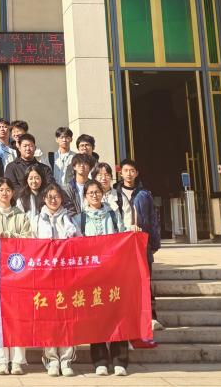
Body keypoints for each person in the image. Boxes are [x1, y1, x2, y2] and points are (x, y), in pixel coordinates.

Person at [77, 181, 128, 376]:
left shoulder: (113, 214)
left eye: (97, 192)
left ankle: (119, 360)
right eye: (90, 193)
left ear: (102, 194)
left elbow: (123, 237)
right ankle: (100, 361)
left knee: (117, 315)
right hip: (92, 275)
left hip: (113, 273)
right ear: (85, 196)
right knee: (95, 317)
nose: (94, 195)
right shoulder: (79, 218)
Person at [0, 176, 31, 375]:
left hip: (19, 272)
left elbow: (29, 239)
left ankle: (17, 360)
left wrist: (9, 236)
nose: (4, 193)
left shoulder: (21, 215)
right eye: (0, 190)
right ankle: (2, 360)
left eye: (7, 190)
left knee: (18, 317)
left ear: (13, 193)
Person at [112, 159, 163, 334]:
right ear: (120, 172)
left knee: (145, 280)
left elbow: (153, 219)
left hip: (142, 243)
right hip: (123, 244)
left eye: (132, 171)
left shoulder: (144, 194)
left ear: (136, 173)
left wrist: (154, 242)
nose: (128, 174)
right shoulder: (115, 193)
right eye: (126, 170)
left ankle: (152, 317)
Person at [35, 183, 79, 377]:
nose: (53, 200)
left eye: (57, 196)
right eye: (50, 197)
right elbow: (30, 245)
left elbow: (80, 243)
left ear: (62, 198)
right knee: (49, 320)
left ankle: (66, 359)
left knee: (67, 318)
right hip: (45, 277)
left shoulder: (70, 218)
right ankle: (52, 359)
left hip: (66, 276)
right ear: (44, 199)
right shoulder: (36, 220)